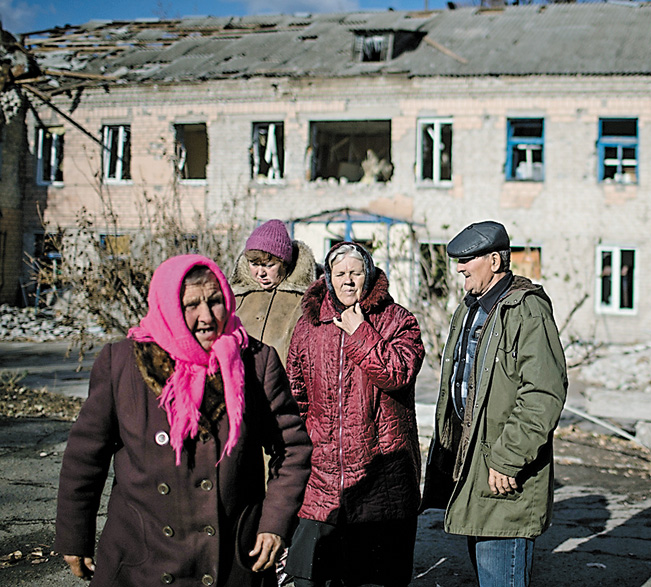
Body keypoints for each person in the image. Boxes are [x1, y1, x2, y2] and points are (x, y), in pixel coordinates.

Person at [54, 254, 313, 587]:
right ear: (167, 306)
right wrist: (75, 534)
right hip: (142, 555)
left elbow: (292, 449)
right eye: (191, 305)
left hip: (231, 557)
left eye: (216, 301)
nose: (206, 317)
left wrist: (273, 523)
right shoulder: (122, 364)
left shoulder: (255, 362)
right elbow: (85, 456)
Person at [421, 220, 568, 587]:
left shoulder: (526, 310)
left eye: (468, 259)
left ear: (496, 261)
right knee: (485, 570)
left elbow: (543, 394)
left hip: (504, 469)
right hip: (475, 464)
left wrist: (507, 459)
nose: (459, 267)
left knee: (500, 575)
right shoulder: (470, 307)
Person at [284, 241, 425, 587]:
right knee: (308, 578)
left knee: (373, 580)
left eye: (356, 273)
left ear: (370, 275)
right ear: (328, 278)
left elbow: (398, 374)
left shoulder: (397, 321)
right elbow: (295, 398)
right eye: (340, 273)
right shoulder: (309, 326)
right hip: (322, 482)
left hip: (383, 484)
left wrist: (360, 332)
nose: (348, 281)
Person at [232, 219, 318, 366]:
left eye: (269, 265)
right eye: (254, 264)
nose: (261, 273)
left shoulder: (306, 300)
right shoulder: (236, 298)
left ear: (285, 263)